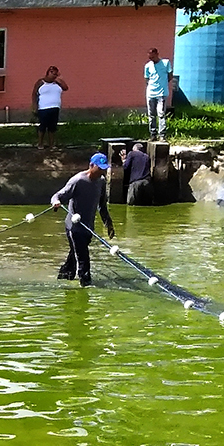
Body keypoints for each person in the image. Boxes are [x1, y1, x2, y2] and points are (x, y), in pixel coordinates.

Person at [50, 153, 115, 287]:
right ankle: (86, 283)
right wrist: (56, 202)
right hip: (74, 227)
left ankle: (65, 274)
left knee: (76, 253)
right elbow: (58, 195)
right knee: (83, 257)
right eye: (100, 168)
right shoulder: (78, 180)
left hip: (88, 227)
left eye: (104, 169)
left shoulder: (101, 181)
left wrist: (109, 224)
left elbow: (102, 206)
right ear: (91, 166)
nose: (102, 171)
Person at [33, 66, 66, 149]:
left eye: (55, 74)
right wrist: (35, 106)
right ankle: (40, 143)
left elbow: (65, 88)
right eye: (52, 73)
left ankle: (52, 144)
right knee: (43, 126)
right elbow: (34, 94)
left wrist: (60, 80)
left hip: (55, 107)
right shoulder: (41, 82)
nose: (54, 75)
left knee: (52, 126)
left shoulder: (57, 83)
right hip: (43, 108)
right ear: (48, 73)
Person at [143, 47, 172, 139]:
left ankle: (162, 135)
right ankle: (153, 134)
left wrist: (162, 83)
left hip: (161, 93)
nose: (151, 59)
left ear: (157, 54)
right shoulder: (147, 66)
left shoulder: (166, 63)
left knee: (161, 114)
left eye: (153, 57)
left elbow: (170, 76)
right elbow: (147, 79)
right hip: (151, 93)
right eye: (150, 58)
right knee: (151, 115)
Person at [123, 141, 153, 206]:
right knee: (147, 205)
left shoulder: (131, 154)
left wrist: (123, 161)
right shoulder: (147, 157)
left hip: (136, 182)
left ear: (134, 149)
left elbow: (125, 167)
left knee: (130, 204)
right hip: (147, 182)